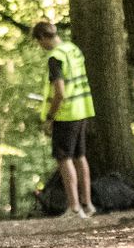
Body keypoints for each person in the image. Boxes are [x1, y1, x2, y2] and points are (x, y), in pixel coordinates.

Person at [32, 19, 97, 217]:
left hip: (65, 113)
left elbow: (59, 92)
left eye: (39, 41)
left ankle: (74, 207)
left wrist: (50, 117)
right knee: (80, 157)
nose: (40, 46)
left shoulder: (55, 57)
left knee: (64, 159)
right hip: (82, 109)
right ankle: (87, 204)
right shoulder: (73, 50)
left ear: (42, 37)